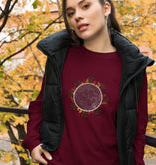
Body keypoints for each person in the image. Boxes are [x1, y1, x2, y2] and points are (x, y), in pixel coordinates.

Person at [22, 0, 155, 165]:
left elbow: (138, 131)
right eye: (70, 13)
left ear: (106, 8)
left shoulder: (133, 67)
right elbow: (40, 106)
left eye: (85, 6)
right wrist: (33, 142)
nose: (77, 16)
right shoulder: (59, 58)